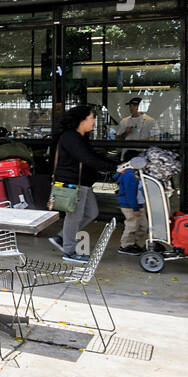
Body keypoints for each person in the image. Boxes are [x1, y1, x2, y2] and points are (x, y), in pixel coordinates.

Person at [49, 104, 118, 264]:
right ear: (82, 120)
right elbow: (88, 159)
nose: (94, 121)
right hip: (73, 184)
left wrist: (117, 165)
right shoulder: (70, 137)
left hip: (82, 183)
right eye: (92, 118)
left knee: (91, 213)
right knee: (74, 216)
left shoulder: (80, 137)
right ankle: (69, 251)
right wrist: (114, 167)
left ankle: (61, 238)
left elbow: (93, 155)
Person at [115, 162, 147, 256]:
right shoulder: (129, 175)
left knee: (142, 226)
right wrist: (135, 208)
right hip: (130, 205)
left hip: (137, 204)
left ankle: (132, 243)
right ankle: (126, 246)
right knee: (132, 225)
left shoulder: (134, 173)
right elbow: (130, 193)